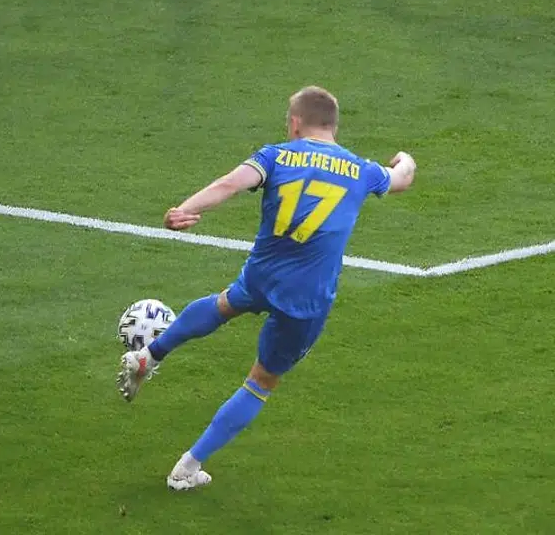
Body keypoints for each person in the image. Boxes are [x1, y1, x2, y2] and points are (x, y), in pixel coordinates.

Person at [116, 86, 416, 490]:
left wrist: (186, 209)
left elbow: (230, 183)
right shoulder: (361, 170)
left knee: (223, 304)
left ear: (295, 122)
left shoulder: (276, 155)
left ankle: (149, 355)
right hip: (305, 300)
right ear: (333, 125)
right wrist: (405, 159)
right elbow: (401, 179)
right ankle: (187, 467)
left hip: (262, 274)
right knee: (260, 382)